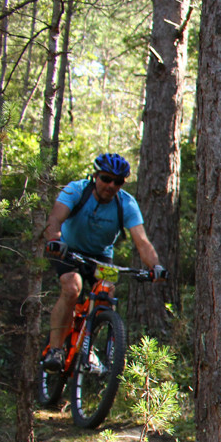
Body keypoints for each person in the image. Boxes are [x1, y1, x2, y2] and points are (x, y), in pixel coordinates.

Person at [40, 153, 167, 371]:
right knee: (72, 288)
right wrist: (54, 240)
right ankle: (56, 349)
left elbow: (142, 241)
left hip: (99, 256)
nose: (111, 185)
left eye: (117, 182)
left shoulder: (126, 203)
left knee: (106, 296)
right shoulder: (76, 190)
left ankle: (86, 348)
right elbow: (54, 218)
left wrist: (155, 267)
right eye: (106, 178)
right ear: (95, 176)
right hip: (67, 249)